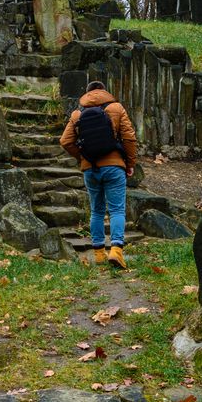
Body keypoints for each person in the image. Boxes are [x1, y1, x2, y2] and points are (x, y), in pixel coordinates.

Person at [59, 81, 137, 269]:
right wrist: (130, 163)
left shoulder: (78, 114)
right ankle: (116, 251)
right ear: (104, 91)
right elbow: (129, 137)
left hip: (90, 169)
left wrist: (83, 157)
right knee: (117, 210)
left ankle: (99, 254)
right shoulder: (116, 108)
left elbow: (65, 141)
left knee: (97, 210)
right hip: (114, 166)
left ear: (86, 94)